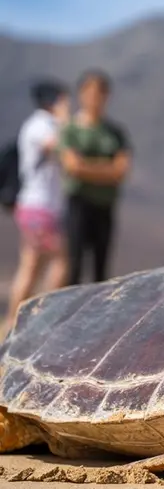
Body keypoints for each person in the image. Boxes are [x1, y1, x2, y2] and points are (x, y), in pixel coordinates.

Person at [5, 80, 71, 329]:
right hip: (38, 206)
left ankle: (15, 323)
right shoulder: (41, 125)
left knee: (33, 264)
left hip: (41, 207)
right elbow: (58, 145)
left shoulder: (40, 124)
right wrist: (65, 120)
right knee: (61, 259)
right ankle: (44, 321)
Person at [59, 69, 133, 285]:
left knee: (101, 270)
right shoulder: (71, 130)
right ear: (81, 94)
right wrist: (105, 168)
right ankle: (69, 318)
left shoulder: (115, 133)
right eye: (90, 92)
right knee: (74, 266)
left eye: (100, 93)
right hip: (79, 204)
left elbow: (121, 170)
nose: (95, 98)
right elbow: (72, 166)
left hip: (105, 206)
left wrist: (88, 167)